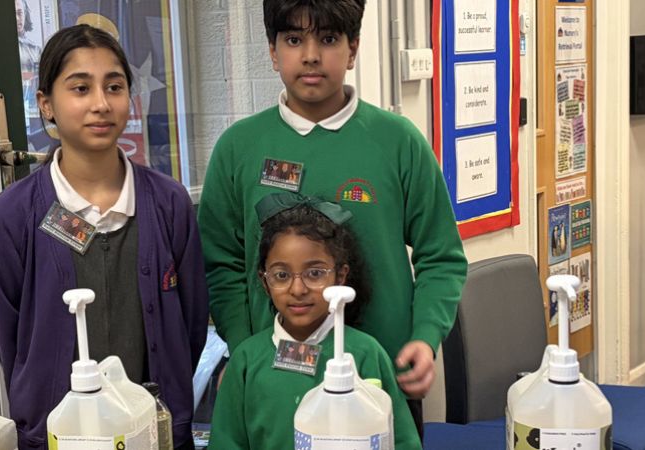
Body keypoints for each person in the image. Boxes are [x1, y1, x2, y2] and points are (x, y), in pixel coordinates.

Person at [198, 0, 467, 437]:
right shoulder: (238, 148)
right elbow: (220, 264)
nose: (310, 55)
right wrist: (243, 347)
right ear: (271, 50)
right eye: (292, 39)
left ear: (353, 48)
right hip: (273, 383)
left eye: (327, 39)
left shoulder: (398, 142)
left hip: (380, 380)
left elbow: (442, 256)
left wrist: (425, 336)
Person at [0, 24, 207, 449]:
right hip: (58, 434)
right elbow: (11, 337)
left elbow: (191, 325)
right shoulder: (15, 213)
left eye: (115, 86)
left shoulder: (168, 203)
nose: (101, 104)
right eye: (80, 88)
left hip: (154, 434)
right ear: (47, 105)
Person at [209, 193, 421, 449]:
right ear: (265, 281)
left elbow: (402, 441)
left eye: (315, 273)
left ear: (340, 276)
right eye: (282, 275)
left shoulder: (366, 354)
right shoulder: (246, 362)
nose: (298, 289)